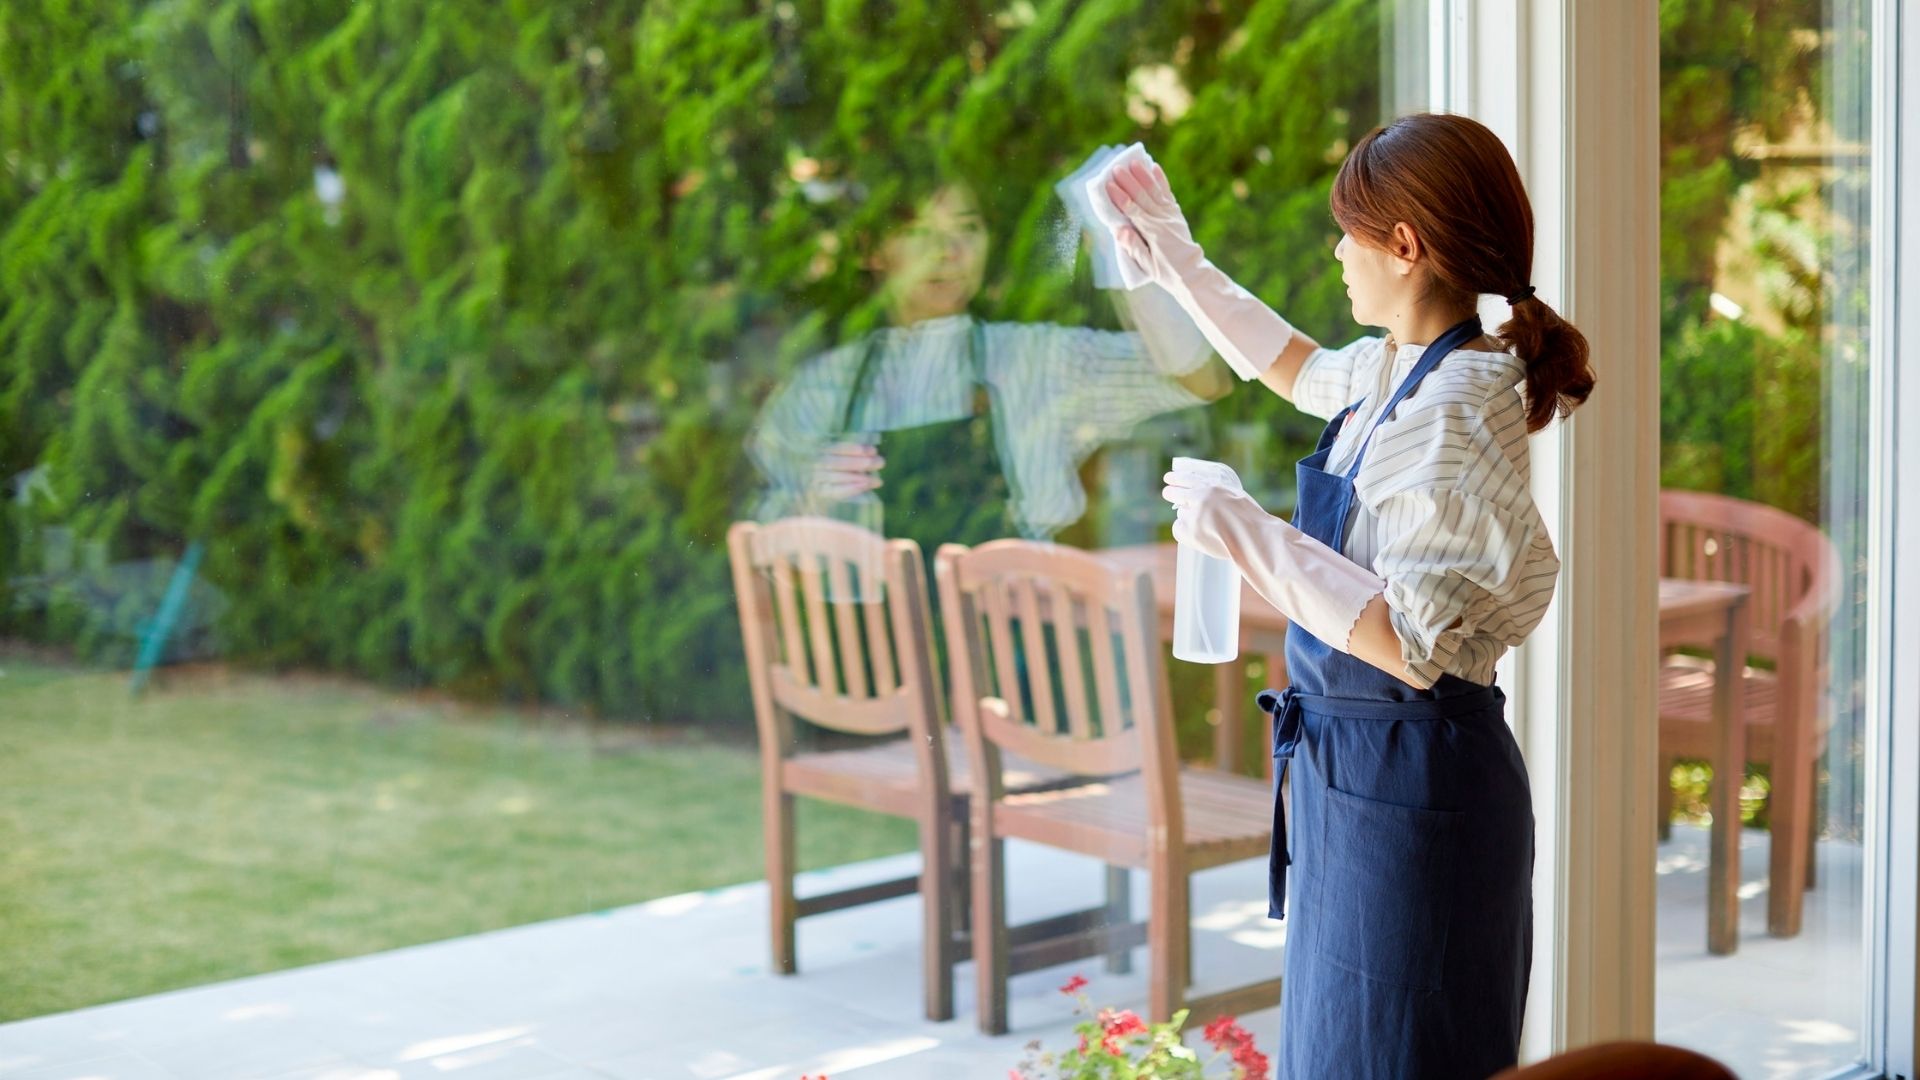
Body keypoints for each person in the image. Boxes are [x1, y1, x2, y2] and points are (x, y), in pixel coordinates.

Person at [1109, 113, 1595, 1078]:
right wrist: (1179, 262)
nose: (1337, 254)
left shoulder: (1455, 410)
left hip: (1417, 789)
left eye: (1349, 234)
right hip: (1354, 779)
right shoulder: (1397, 372)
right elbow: (1292, 364)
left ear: (1404, 247)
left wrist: (1246, 532)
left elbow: (1409, 643)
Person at [748, 173, 1233, 563]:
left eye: (966, 229)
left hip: (1025, 637)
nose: (948, 253)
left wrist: (1116, 248)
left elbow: (1203, 380)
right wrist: (810, 515)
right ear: (874, 250)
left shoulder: (1037, 359)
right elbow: (767, 559)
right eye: (919, 233)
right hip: (887, 651)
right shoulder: (822, 390)